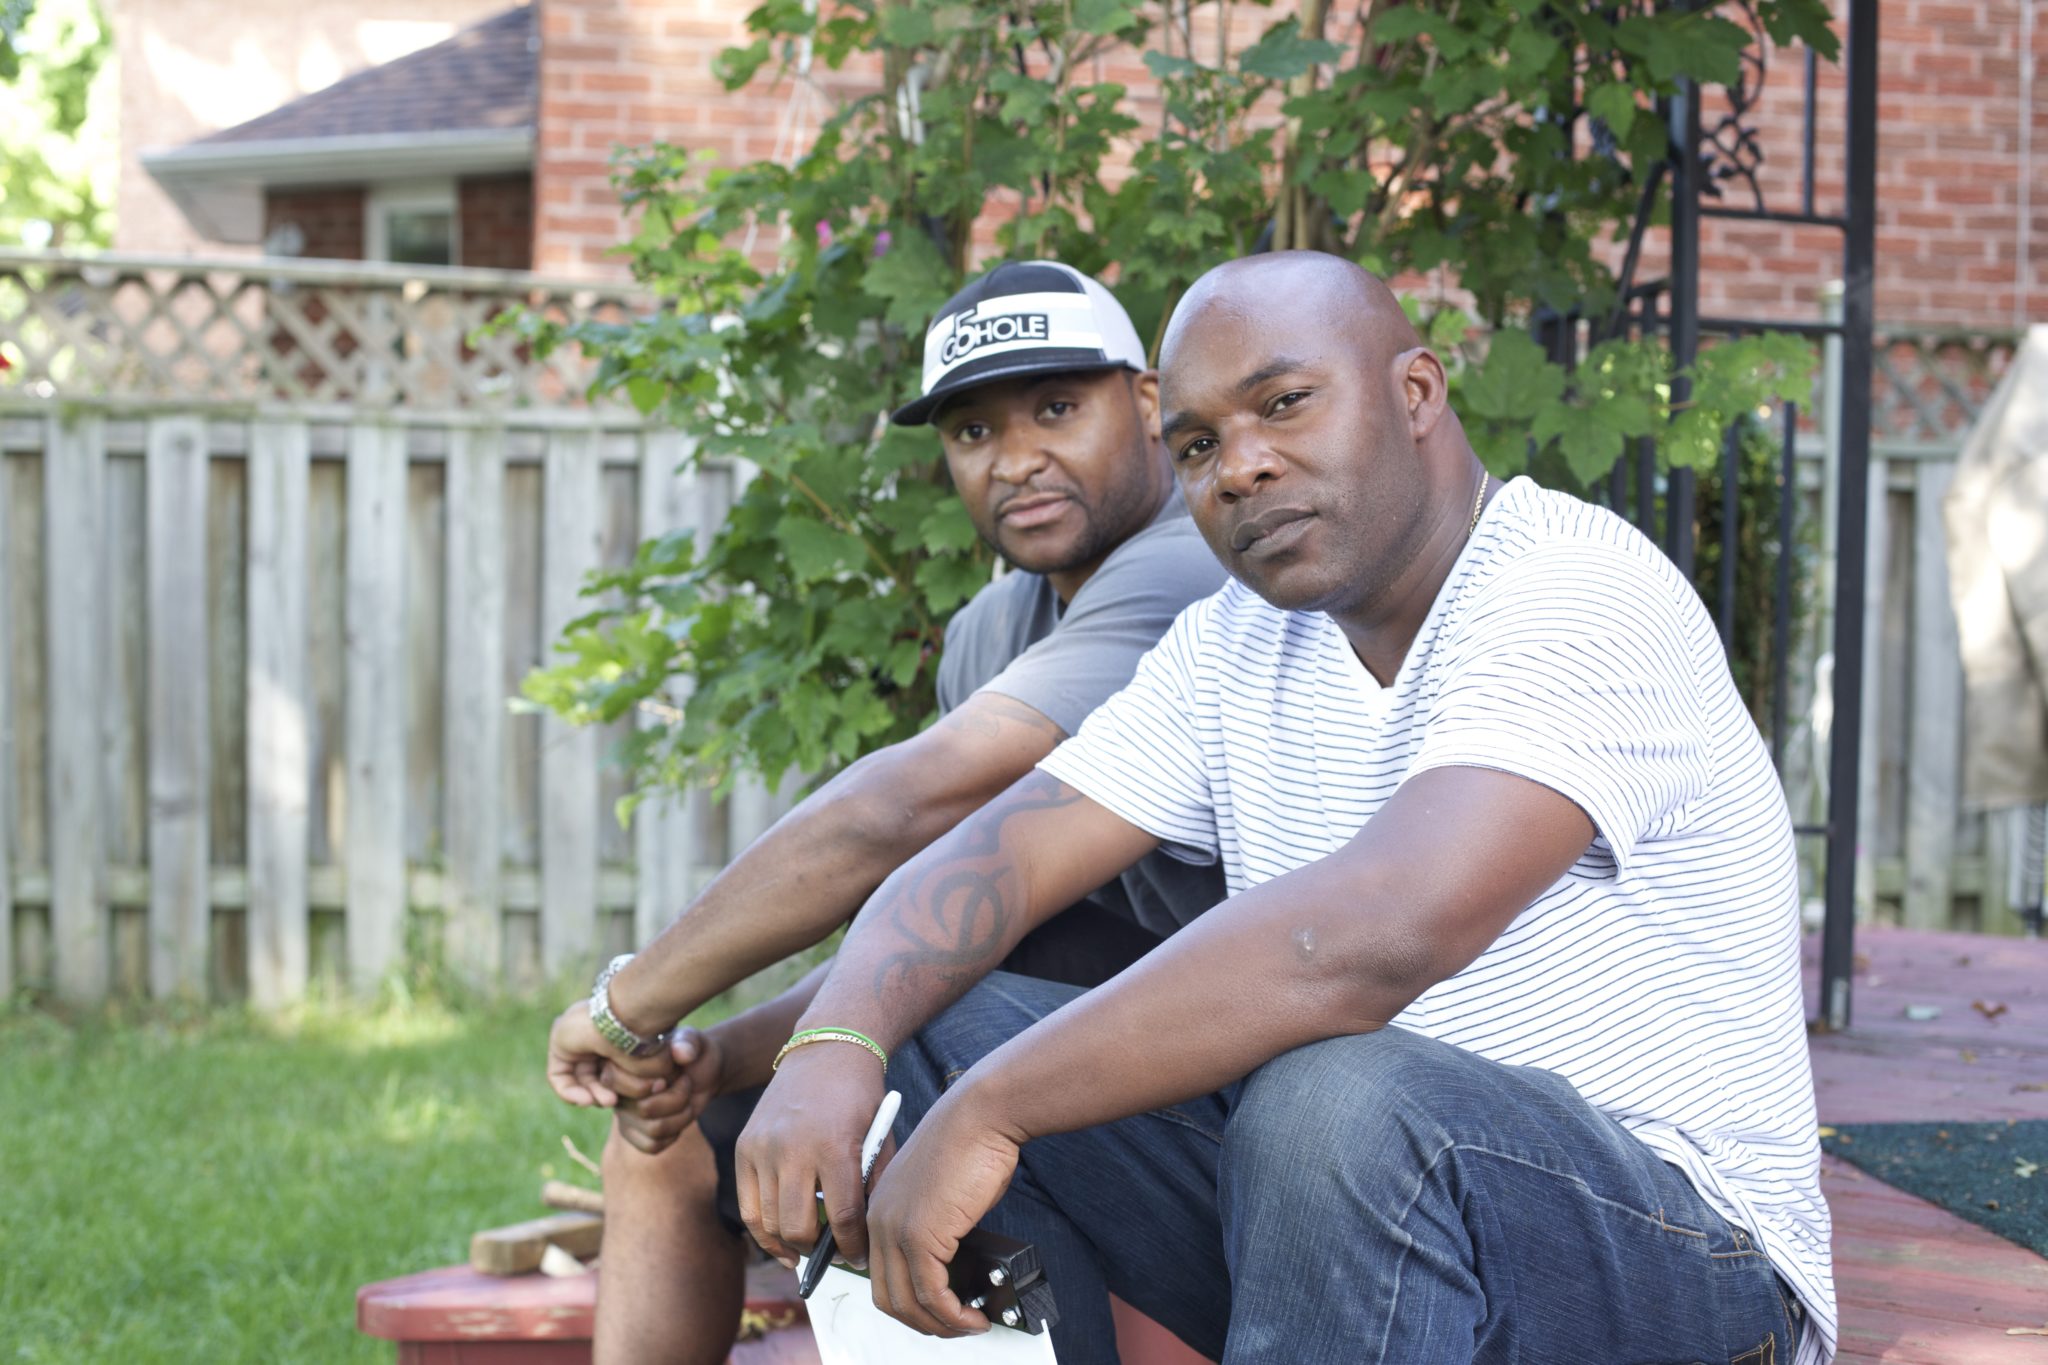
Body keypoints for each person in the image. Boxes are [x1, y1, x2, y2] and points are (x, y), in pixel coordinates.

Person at [734, 251, 1838, 1364]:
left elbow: (1376, 934)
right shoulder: (1236, 642)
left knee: (1334, 1095)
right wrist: (837, 1039)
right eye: (1197, 446)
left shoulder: (1572, 588)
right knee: (934, 1024)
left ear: (1416, 392)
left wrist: (993, 1107)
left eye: (1284, 404)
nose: (1239, 468)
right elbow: (1003, 856)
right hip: (1357, 1193)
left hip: (1683, 1260)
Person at [542, 259, 1230, 1365]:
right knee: (671, 1139)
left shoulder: (1188, 570)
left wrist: (630, 1004)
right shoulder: (994, 627)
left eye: (1057, 408)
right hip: (1061, 1002)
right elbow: (949, 914)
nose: (1016, 459)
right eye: (973, 432)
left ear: (1147, 403)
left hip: (1224, 1064)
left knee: (915, 1069)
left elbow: (902, 808)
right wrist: (720, 1054)